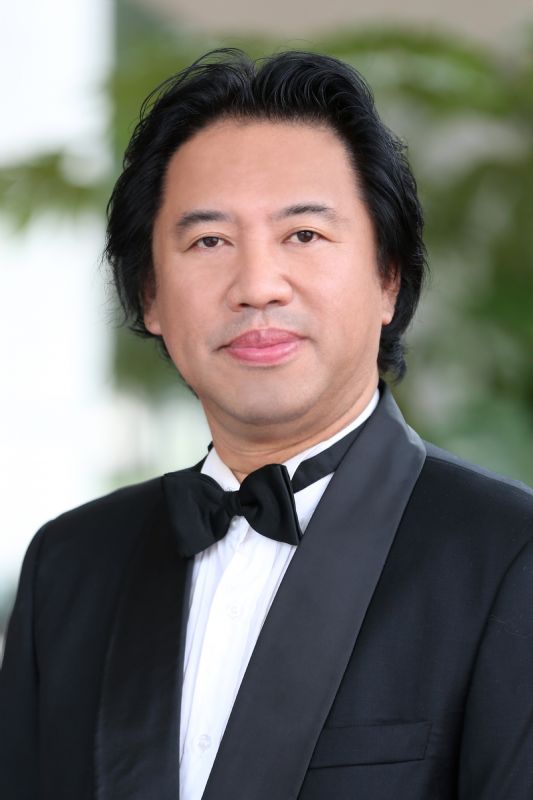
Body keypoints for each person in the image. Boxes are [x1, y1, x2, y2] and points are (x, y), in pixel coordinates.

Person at [1, 48, 532, 800]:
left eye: (303, 235)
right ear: (150, 296)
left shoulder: (509, 556)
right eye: (208, 241)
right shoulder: (70, 565)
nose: (256, 285)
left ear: (387, 277)